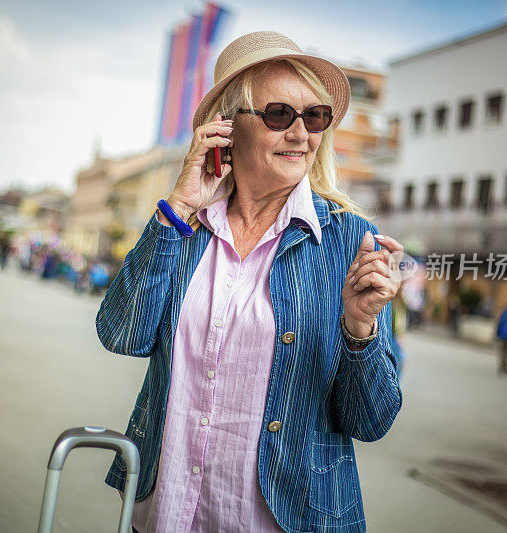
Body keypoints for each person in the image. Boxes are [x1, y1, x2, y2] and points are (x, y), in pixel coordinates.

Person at [96, 31, 403, 532]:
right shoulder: (185, 227)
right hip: (168, 513)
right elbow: (120, 334)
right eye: (279, 114)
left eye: (315, 116)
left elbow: (371, 419)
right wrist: (176, 209)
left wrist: (358, 328)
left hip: (286, 520)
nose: (301, 133)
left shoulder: (349, 239)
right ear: (226, 126)